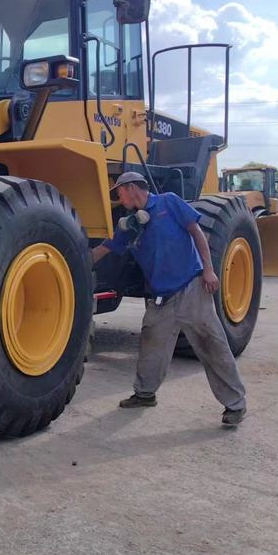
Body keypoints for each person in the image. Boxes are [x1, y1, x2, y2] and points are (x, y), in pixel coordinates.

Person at [91, 172, 247, 426]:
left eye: (118, 193)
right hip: (161, 298)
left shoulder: (169, 202)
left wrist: (208, 269)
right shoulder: (130, 224)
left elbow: (196, 233)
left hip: (191, 288)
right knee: (151, 347)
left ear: (131, 188)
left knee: (212, 346)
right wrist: (77, 262)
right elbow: (104, 249)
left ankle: (235, 404)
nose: (118, 199)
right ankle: (144, 394)